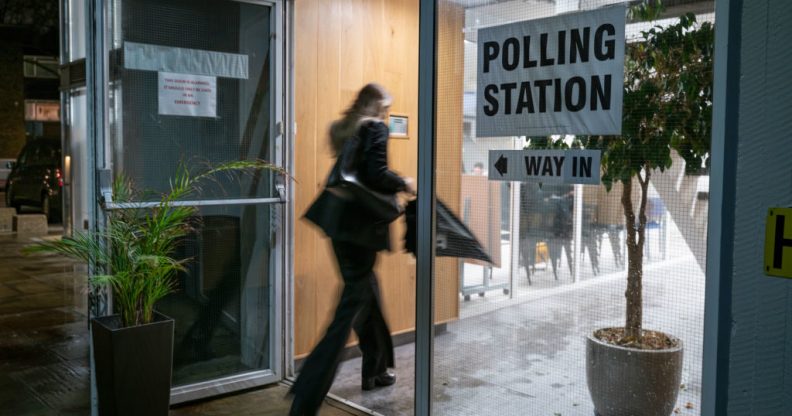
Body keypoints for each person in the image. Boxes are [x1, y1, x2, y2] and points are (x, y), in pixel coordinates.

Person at [290, 83, 414, 416]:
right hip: (361, 230)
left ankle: (375, 370)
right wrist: (405, 183)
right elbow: (377, 174)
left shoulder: (342, 128)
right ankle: (307, 394)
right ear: (376, 105)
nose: (387, 113)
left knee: (366, 292)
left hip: (338, 226)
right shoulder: (374, 127)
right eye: (386, 106)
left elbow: (352, 173)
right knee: (349, 309)